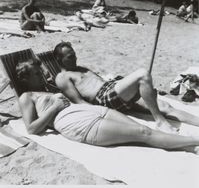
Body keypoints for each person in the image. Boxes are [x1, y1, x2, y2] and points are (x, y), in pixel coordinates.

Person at [16, 59, 199, 153]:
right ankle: (194, 142)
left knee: (142, 128)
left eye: (40, 72)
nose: (41, 76)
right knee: (144, 134)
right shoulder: (27, 96)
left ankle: (188, 145)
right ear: (24, 79)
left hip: (92, 110)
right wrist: (54, 107)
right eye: (36, 74)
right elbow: (32, 129)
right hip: (76, 123)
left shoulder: (48, 89)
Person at [53, 41, 199, 134]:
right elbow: (80, 102)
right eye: (70, 57)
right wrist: (105, 114)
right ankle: (160, 121)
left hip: (113, 90)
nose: (75, 58)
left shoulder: (80, 68)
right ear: (59, 60)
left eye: (74, 55)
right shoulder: (62, 77)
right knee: (142, 74)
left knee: (165, 106)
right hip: (104, 99)